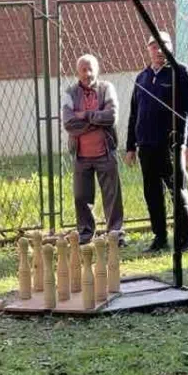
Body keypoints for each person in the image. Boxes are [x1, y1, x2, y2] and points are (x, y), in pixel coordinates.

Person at [125, 32, 188, 253]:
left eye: (163, 45)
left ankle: (185, 240)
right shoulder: (142, 77)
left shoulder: (181, 72)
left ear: (171, 47)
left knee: (178, 191)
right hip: (146, 145)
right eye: (154, 46)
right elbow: (134, 114)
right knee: (152, 193)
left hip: (172, 145)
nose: (159, 50)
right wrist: (130, 146)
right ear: (148, 49)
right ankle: (160, 238)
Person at [63, 54, 124, 244]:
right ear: (77, 72)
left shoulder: (107, 88)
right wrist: (97, 120)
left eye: (90, 69)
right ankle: (85, 233)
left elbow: (111, 116)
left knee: (112, 196)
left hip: (105, 152)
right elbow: (69, 123)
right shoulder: (70, 93)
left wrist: (86, 115)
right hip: (81, 155)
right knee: (81, 197)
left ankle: (115, 234)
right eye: (83, 69)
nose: (87, 73)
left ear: (97, 70)